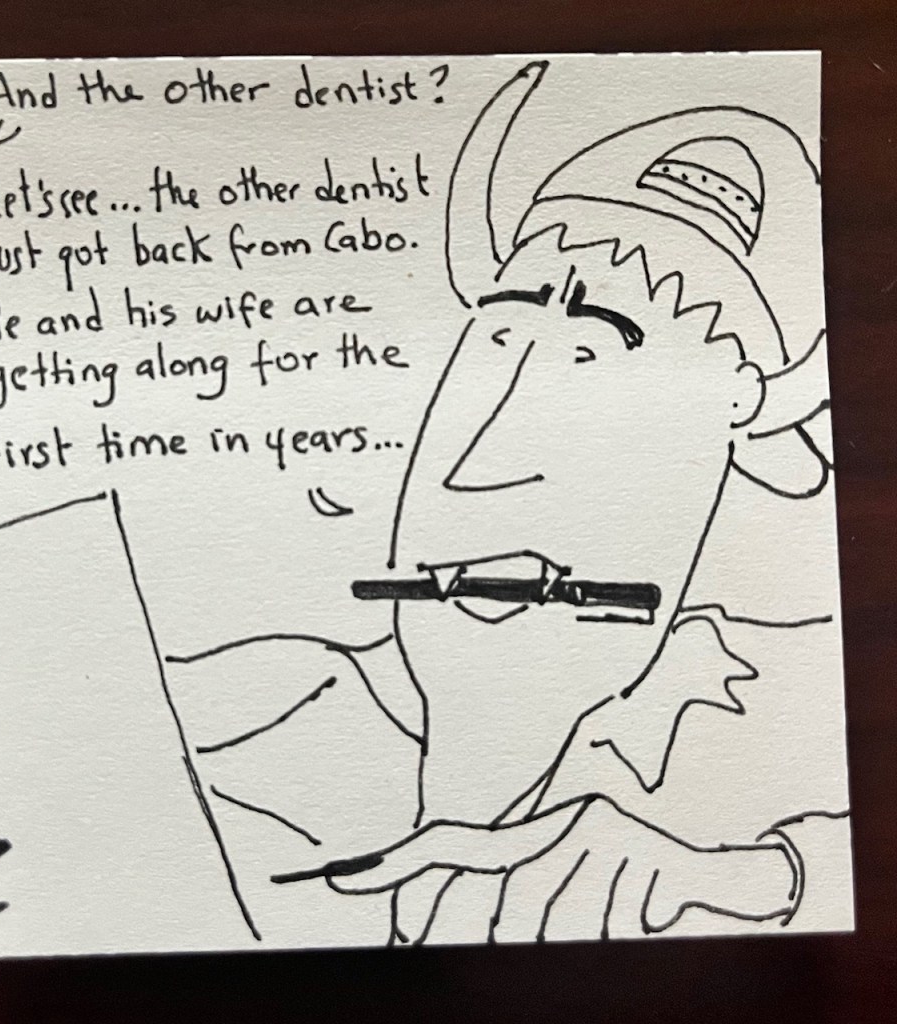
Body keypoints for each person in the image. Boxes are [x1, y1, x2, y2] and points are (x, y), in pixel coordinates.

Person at [164, 63, 852, 948]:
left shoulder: (772, 727)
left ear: (721, 446)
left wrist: (746, 882)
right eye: (493, 347)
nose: (476, 465)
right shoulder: (234, 732)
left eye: (592, 382)